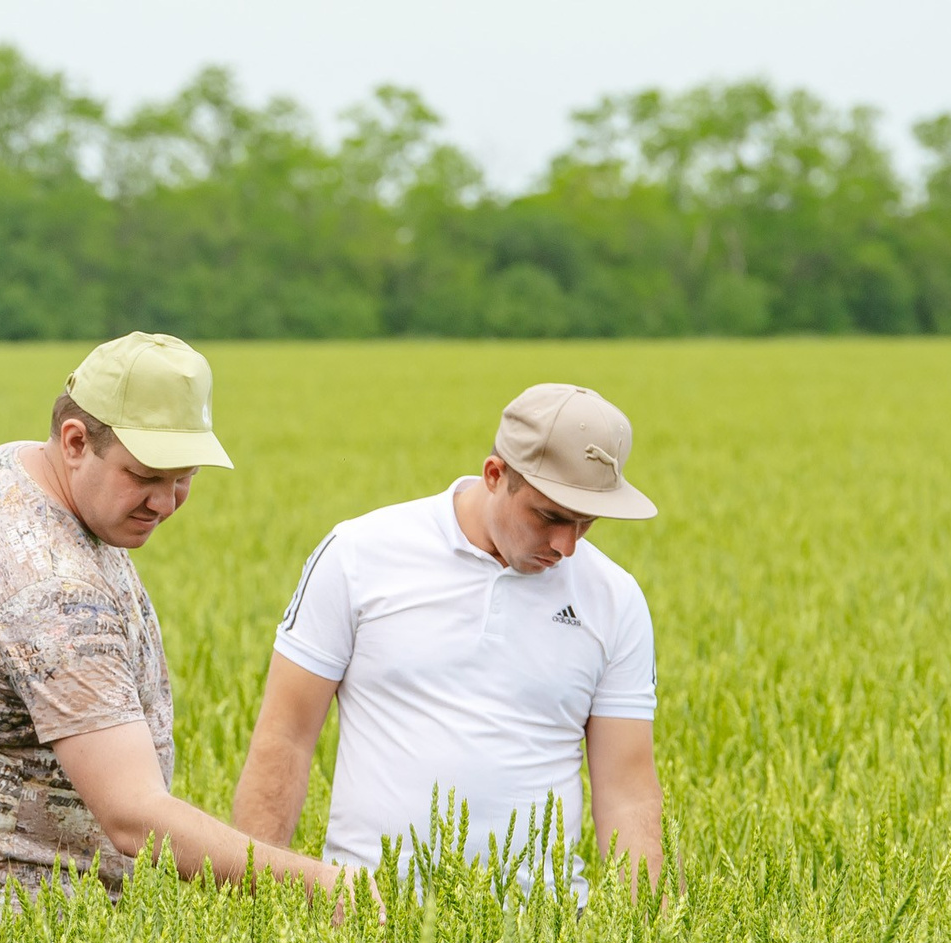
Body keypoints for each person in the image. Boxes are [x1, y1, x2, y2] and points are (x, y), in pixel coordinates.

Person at [0, 331, 352, 918]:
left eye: (185, 477)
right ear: (76, 441)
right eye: (145, 476)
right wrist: (320, 886)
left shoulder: (21, 469)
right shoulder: (47, 587)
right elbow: (132, 816)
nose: (167, 502)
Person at [231, 382, 665, 898]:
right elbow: (285, 739)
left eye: (586, 522)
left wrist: (652, 940)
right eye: (549, 517)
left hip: (544, 937)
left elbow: (629, 793)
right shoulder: (359, 554)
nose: (566, 546)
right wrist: (252, 909)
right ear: (495, 475)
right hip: (370, 919)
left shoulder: (615, 598)